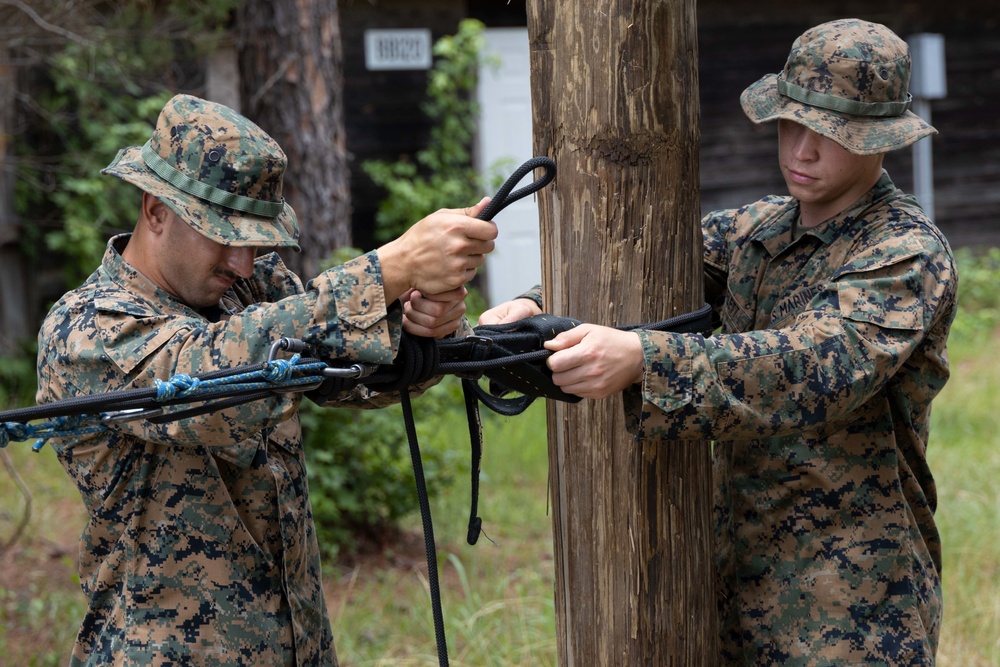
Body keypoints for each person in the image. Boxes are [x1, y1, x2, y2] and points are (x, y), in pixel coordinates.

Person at [481, 19, 957, 666]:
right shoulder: (760, 230)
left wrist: (644, 359)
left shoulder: (904, 252)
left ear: (881, 143)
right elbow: (635, 266)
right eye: (792, 124)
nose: (803, 150)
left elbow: (817, 365)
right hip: (733, 586)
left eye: (831, 135)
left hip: (852, 613)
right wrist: (534, 305)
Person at [35, 93, 497, 666]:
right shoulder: (86, 329)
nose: (245, 263)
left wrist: (424, 329)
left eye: (257, 243)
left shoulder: (243, 290)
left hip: (296, 645)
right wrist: (390, 269)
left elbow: (342, 373)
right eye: (225, 236)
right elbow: (213, 383)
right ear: (156, 211)